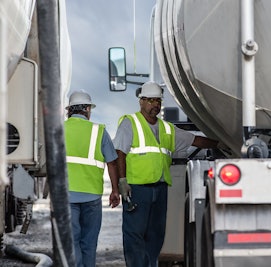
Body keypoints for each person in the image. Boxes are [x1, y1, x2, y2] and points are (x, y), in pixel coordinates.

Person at [113, 81, 224, 267]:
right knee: (135, 235)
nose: (154, 105)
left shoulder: (167, 128)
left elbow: (195, 140)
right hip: (137, 188)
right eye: (150, 100)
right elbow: (119, 153)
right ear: (141, 102)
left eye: (158, 101)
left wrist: (222, 144)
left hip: (160, 188)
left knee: (156, 234)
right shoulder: (129, 123)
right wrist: (121, 181)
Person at [64, 90, 120, 267]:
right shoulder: (99, 131)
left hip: (66, 196)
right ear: (87, 109)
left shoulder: (58, 130)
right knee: (89, 242)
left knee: (71, 242)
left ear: (69, 110)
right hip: (92, 196)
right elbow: (112, 163)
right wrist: (115, 190)